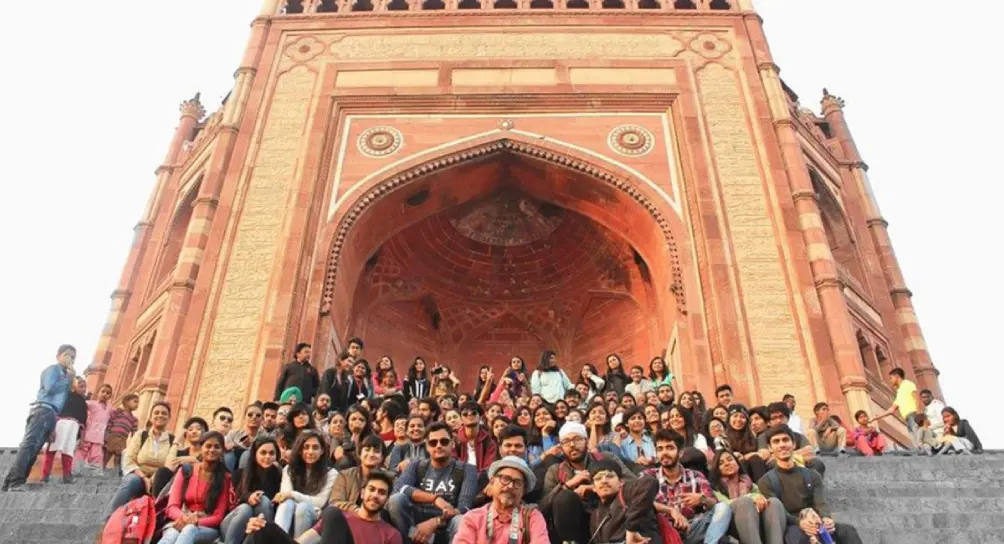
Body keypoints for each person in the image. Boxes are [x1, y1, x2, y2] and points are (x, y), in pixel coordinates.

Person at [757, 425, 862, 544]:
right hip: (790, 524)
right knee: (796, 538)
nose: (782, 445)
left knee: (848, 531)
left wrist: (826, 518)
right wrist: (800, 523)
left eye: (785, 440)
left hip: (814, 519)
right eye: (776, 442)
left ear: (794, 445)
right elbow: (779, 512)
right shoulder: (766, 481)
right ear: (770, 448)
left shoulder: (812, 475)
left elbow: (820, 503)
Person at [539, 421, 635, 544]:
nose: (572, 445)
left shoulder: (606, 457)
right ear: (561, 447)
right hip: (573, 525)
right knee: (565, 497)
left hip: (608, 516)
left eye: (577, 439)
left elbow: (632, 483)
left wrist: (594, 487)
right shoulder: (555, 470)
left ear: (586, 441)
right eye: (566, 442)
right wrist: (568, 485)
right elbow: (543, 507)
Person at [244, 471, 402, 544]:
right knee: (261, 528)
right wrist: (266, 529)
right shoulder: (340, 519)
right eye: (371, 490)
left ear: (386, 499)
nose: (375, 495)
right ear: (361, 494)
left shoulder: (390, 534)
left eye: (381, 493)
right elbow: (301, 542)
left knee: (332, 511)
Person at [387, 422, 478, 544]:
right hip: (414, 528)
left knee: (461, 520)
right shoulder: (416, 465)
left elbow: (465, 507)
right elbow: (398, 489)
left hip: (447, 528)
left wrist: (435, 522)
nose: (438, 446)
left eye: (444, 441)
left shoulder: (467, 469)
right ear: (427, 446)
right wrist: (434, 498)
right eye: (433, 443)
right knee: (396, 500)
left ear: (452, 443)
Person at [3, 344, 76, 491]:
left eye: (73, 357)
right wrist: (67, 379)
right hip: (42, 409)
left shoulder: (64, 374)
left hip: (51, 414)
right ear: (58, 356)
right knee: (28, 446)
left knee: (34, 450)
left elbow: (59, 401)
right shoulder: (53, 370)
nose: (70, 359)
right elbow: (50, 389)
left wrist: (53, 425)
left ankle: (11, 482)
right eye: (67, 355)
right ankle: (15, 482)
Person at [644, 429, 732, 544]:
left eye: (670, 448)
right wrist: (671, 511)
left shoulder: (696, 476)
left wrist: (702, 499)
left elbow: (713, 503)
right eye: (660, 449)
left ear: (680, 453)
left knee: (723, 507)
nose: (664, 452)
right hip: (664, 533)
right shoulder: (648, 476)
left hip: (693, 529)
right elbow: (639, 502)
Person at [157, 431, 232, 544]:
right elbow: (172, 507)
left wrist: (194, 522)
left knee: (189, 530)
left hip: (206, 527)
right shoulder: (186, 471)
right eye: (208, 446)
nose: (212, 450)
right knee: (171, 535)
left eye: (217, 447)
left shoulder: (225, 478)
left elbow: (218, 517)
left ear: (222, 452)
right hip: (181, 519)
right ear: (201, 448)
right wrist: (186, 519)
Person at [454, 456, 548, 544]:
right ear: (492, 482)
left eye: (517, 483)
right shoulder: (473, 518)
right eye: (505, 479)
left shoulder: (531, 517)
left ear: (523, 491)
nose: (510, 486)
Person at [106, 402, 177, 515]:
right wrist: (145, 478)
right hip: (139, 476)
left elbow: (171, 463)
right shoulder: (141, 435)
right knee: (131, 481)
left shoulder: (173, 440)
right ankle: (110, 519)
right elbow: (129, 459)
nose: (160, 415)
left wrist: (154, 478)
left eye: (164, 413)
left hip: (160, 480)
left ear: (169, 418)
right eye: (156, 413)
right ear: (150, 417)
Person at [707, 449, 786, 544]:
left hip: (756, 520)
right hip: (732, 526)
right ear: (717, 469)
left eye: (730, 459)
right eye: (721, 463)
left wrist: (757, 498)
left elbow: (761, 496)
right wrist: (751, 497)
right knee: (744, 502)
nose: (727, 464)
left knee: (773, 502)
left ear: (737, 463)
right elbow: (724, 504)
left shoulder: (747, 482)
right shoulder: (715, 486)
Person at [276, 430, 339, 538]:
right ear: (300, 450)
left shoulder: (331, 474)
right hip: (292, 511)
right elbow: (284, 496)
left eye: (315, 447)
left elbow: (320, 502)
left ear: (322, 451)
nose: (310, 452)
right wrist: (290, 496)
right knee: (286, 504)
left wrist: (293, 494)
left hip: (315, 518)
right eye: (306, 447)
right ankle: (277, 540)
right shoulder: (289, 469)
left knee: (303, 507)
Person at [220, 437, 282, 544]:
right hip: (232, 525)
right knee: (245, 508)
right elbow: (230, 504)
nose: (267, 456)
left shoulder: (279, 477)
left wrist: (271, 472)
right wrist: (247, 497)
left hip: (257, 527)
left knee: (263, 501)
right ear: (254, 455)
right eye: (263, 453)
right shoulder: (238, 475)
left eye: (272, 453)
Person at [588, 458, 662, 544]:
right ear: (593, 487)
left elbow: (649, 482)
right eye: (598, 478)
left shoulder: (628, 493)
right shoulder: (595, 516)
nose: (604, 481)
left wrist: (631, 529)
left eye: (610, 476)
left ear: (621, 482)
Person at [40, 376, 88, 484]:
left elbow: (83, 422)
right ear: (74, 386)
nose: (83, 389)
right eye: (81, 386)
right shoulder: (65, 397)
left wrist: (82, 438)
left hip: (74, 426)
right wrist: (52, 428)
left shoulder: (83, 403)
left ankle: (67, 476)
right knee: (51, 450)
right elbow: (57, 411)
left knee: (68, 451)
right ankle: (45, 475)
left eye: (85, 387)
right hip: (60, 424)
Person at [330, 435, 386, 511]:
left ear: (382, 457)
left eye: (376, 451)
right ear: (360, 454)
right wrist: (357, 510)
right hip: (349, 518)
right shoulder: (345, 475)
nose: (371, 454)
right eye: (367, 450)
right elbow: (335, 502)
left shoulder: (389, 478)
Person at [869, 368, 921, 437]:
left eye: (891, 378)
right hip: (907, 419)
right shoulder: (899, 392)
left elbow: (917, 398)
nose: (890, 381)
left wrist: (918, 414)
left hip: (913, 415)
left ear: (897, 376)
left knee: (920, 438)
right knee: (916, 442)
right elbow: (891, 410)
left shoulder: (907, 384)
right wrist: (877, 417)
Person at [77, 383, 114, 475]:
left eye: (108, 393)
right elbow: (81, 405)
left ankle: (95, 473)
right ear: (98, 392)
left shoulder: (110, 408)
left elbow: (115, 416)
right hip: (88, 433)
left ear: (110, 396)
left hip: (99, 436)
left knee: (97, 455)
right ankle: (75, 470)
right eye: (103, 391)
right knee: (81, 452)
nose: (105, 394)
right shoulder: (91, 403)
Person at [454, 402, 498, 474]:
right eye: (465, 414)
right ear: (461, 419)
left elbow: (488, 469)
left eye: (474, 413)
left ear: (480, 417)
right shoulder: (455, 441)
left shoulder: (489, 442)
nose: (469, 415)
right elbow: (453, 464)